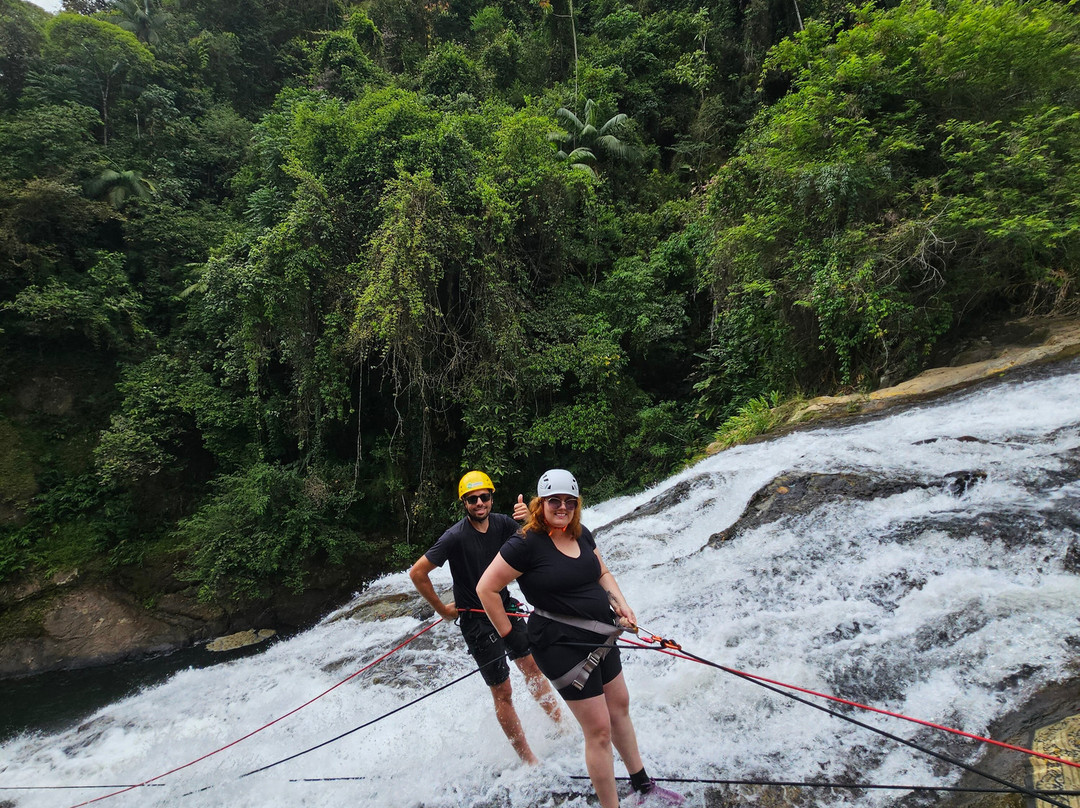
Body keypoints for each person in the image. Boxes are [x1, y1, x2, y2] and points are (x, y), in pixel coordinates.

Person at [477, 469, 684, 808]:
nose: (562, 507)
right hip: (560, 648)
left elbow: (601, 572)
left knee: (619, 708)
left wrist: (623, 605)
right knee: (599, 731)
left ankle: (643, 784)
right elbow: (486, 588)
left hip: (601, 636)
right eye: (554, 501)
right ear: (540, 504)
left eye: (569, 502)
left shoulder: (581, 534)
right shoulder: (525, 543)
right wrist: (509, 633)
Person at [409, 470, 563, 765]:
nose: (480, 503)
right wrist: (442, 610)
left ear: (491, 498)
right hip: (476, 621)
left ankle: (560, 726)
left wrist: (530, 518)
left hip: (504, 607)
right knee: (503, 689)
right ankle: (529, 761)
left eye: (485, 497)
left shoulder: (504, 524)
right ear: (464, 503)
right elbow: (418, 572)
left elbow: (539, 542)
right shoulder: (454, 537)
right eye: (473, 499)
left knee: (532, 668)